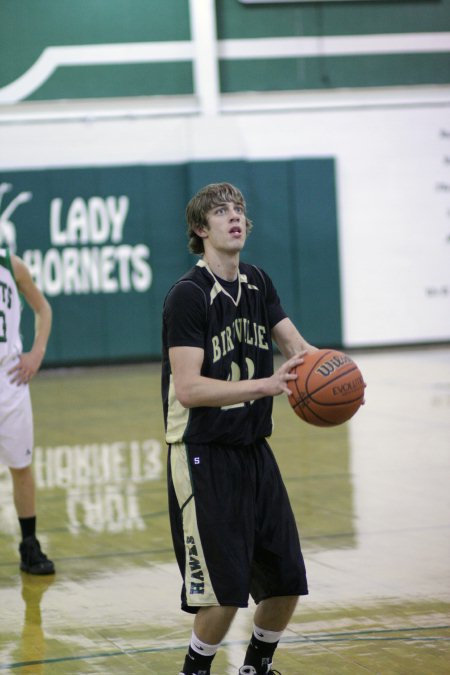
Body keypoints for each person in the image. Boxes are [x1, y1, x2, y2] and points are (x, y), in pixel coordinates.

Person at [161, 182, 317, 675]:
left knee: (286, 579)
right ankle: (196, 669)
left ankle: (256, 668)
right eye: (221, 211)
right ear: (200, 229)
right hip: (201, 453)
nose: (234, 217)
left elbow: (297, 348)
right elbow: (188, 389)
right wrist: (265, 385)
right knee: (223, 593)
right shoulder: (187, 296)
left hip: (253, 450)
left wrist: (334, 370)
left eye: (239, 210)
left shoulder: (257, 282)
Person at [0, 247, 55, 575]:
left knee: (21, 466)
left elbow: (43, 309)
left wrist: (36, 353)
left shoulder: (11, 264)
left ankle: (29, 545)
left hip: (10, 382)